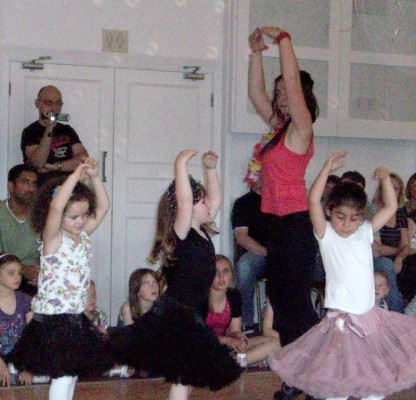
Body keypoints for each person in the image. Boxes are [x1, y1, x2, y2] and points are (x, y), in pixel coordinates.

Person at [268, 151, 416, 400]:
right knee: (336, 385)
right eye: (340, 216)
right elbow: (312, 200)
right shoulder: (326, 235)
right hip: (340, 324)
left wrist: (385, 179)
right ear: (330, 211)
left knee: (374, 385)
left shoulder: (364, 232)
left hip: (369, 321)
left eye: (354, 218)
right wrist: (326, 168)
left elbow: (391, 206)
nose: (347, 224)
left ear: (361, 217)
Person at [110, 150, 241, 400]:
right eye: (202, 202)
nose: (209, 205)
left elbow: (216, 198)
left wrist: (210, 170)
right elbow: (184, 201)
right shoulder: (182, 231)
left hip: (192, 313)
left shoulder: (202, 230)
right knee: (183, 375)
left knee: (190, 373)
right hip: (177, 314)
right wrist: (181, 164)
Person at [10, 158, 114, 400]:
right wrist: (75, 175)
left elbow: (104, 207)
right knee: (63, 376)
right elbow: (56, 207)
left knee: (71, 374)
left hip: (74, 317)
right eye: (74, 217)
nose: (81, 221)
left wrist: (95, 177)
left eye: (84, 215)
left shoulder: (83, 235)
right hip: (54, 321)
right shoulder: (53, 239)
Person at [248, 25, 319, 358]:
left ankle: (316, 370)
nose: (281, 97)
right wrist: (256, 53)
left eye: (286, 92)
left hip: (295, 224)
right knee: (279, 299)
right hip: (275, 224)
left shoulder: (302, 127)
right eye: (277, 94)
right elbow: (255, 93)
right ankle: (296, 371)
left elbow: (291, 81)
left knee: (296, 304)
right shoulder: (279, 129)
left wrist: (284, 40)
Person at [204, 254, 280, 366]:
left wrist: (238, 337)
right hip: (204, 346)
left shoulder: (234, 296)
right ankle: (231, 364)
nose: (221, 277)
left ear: (231, 274)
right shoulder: (201, 298)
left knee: (274, 342)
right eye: (216, 272)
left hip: (225, 346)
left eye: (226, 271)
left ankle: (234, 363)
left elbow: (234, 330)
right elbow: (199, 335)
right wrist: (227, 340)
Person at [21, 85, 89, 185]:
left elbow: (83, 158)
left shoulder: (67, 130)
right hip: (43, 188)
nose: (54, 107)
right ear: (37, 103)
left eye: (58, 103)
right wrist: (50, 127)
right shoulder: (30, 131)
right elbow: (38, 164)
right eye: (49, 102)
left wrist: (55, 166)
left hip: (68, 186)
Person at [231, 168, 270, 331]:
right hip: (256, 254)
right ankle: (245, 322)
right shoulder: (243, 203)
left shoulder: (279, 203)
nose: (261, 180)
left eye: (265, 175)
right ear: (250, 178)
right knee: (244, 266)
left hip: (280, 253)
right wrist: (267, 253)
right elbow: (241, 237)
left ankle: (280, 320)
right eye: (257, 176)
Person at [0, 164, 40, 296]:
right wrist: (23, 269)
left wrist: (41, 273)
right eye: (25, 182)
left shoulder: (42, 215)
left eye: (34, 184)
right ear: (11, 186)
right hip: (5, 276)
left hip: (34, 279)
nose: (31, 189)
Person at [372, 172, 409, 312]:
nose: (391, 191)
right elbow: (377, 249)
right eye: (388, 186)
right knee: (386, 263)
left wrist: (399, 258)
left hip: (396, 259)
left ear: (400, 193)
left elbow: (406, 245)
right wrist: (398, 251)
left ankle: (408, 308)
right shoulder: (372, 210)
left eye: (396, 188)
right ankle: (396, 313)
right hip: (376, 259)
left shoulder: (400, 215)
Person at [0, 253, 33, 387]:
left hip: (19, 358)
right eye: (11, 273)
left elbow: (32, 337)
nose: (17, 277)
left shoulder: (25, 300)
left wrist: (27, 366)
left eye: (19, 273)